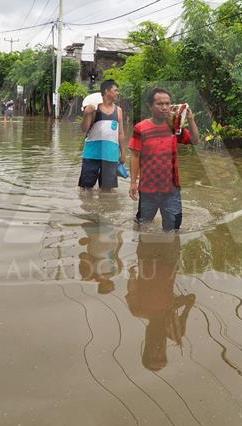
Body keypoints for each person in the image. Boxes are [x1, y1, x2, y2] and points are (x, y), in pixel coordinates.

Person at [129, 87, 199, 231]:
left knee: (173, 229)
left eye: (167, 104)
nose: (165, 107)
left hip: (171, 188)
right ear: (150, 106)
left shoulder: (174, 127)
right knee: (142, 224)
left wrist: (190, 119)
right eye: (160, 104)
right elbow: (135, 156)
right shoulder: (141, 128)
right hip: (148, 188)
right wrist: (133, 182)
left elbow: (195, 140)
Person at [126, 232, 195, 371]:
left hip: (147, 257)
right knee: (171, 224)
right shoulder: (174, 325)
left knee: (148, 223)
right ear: (165, 353)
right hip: (170, 259)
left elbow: (132, 290)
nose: (158, 353)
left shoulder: (137, 310)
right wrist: (180, 310)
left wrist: (132, 275)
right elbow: (191, 299)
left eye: (154, 357)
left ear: (146, 350)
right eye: (162, 357)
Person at [78, 79, 126, 192]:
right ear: (106, 91)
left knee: (107, 191)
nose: (118, 93)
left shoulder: (119, 111)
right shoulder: (94, 109)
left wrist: (123, 153)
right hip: (92, 155)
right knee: (86, 189)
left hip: (111, 155)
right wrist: (86, 114)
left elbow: (121, 133)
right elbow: (84, 129)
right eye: (116, 90)